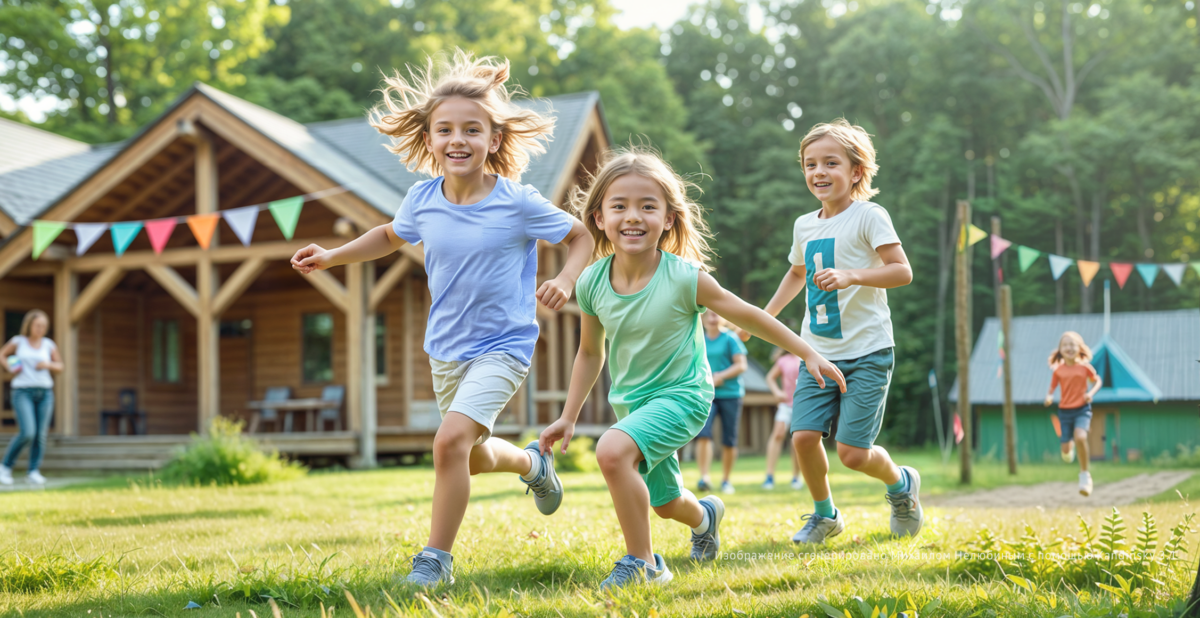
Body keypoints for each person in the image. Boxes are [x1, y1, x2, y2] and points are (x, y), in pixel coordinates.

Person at [290, 50, 594, 587]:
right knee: (468, 456)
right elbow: (389, 236)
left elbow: (581, 236)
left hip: (504, 346)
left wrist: (566, 279)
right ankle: (533, 465)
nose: (458, 139)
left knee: (447, 443)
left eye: (472, 130)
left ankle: (435, 561)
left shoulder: (517, 201)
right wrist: (333, 256)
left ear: (493, 141)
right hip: (446, 350)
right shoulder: (422, 199)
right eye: (445, 129)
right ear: (429, 139)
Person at [538, 148, 845, 590]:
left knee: (612, 451)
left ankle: (644, 564)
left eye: (648, 206)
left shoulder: (685, 277)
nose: (633, 216)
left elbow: (748, 314)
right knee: (665, 503)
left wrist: (807, 352)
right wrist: (568, 416)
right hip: (632, 404)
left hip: (685, 396)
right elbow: (590, 353)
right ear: (599, 218)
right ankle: (705, 518)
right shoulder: (591, 282)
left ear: (668, 219)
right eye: (619, 206)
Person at [746, 118, 920, 546]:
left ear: (856, 171)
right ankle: (825, 515)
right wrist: (763, 317)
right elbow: (796, 273)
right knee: (803, 437)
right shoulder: (804, 225)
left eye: (830, 163)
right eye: (810, 164)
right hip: (817, 352)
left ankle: (901, 486)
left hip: (868, 351)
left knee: (853, 454)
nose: (818, 172)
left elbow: (902, 271)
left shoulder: (869, 216)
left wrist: (851, 275)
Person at [0, 309, 63, 486]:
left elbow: (60, 366)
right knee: (27, 432)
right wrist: (10, 366)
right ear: (29, 325)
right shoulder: (18, 341)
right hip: (22, 391)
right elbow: (2, 354)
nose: (40, 328)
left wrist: (48, 364)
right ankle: (5, 467)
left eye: (43, 326)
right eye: (37, 325)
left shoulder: (48, 344)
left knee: (40, 435)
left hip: (45, 393)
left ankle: (33, 471)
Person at [1044, 331, 1102, 497]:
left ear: (1079, 348)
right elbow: (1052, 387)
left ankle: (1085, 475)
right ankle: (1069, 449)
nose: (1069, 348)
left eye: (1072, 344)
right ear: (1060, 350)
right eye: (1065, 345)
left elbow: (1097, 381)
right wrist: (1049, 396)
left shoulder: (1085, 368)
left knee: (1081, 437)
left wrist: (1091, 394)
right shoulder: (1058, 371)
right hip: (1065, 412)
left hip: (1082, 409)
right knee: (1066, 451)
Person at [695, 310, 746, 494]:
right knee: (703, 434)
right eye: (708, 314)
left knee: (729, 439)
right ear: (702, 318)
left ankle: (726, 480)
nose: (712, 317)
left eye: (716, 314)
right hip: (707, 395)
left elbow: (741, 365)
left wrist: (720, 376)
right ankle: (704, 477)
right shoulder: (698, 339)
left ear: (722, 318)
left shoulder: (730, 338)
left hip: (731, 394)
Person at [763, 348, 803, 490]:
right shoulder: (783, 360)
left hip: (802, 405)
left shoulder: (805, 357)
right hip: (786, 404)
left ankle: (796, 477)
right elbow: (770, 377)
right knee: (778, 434)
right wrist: (777, 392)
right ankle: (769, 476)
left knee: (796, 440)